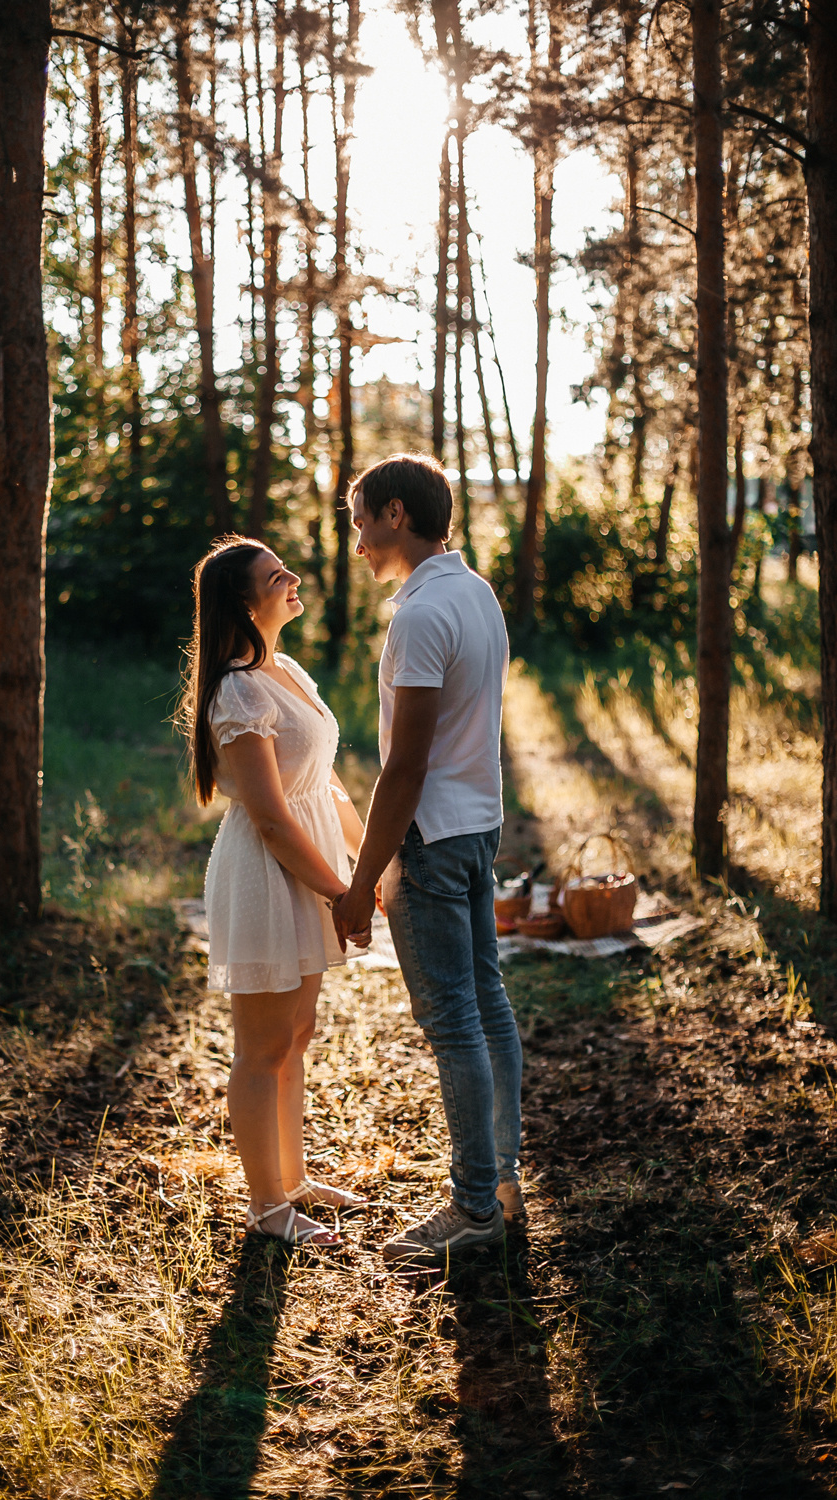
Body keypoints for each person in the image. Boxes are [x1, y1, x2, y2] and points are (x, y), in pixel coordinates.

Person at [330, 455, 524, 1266]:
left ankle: (475, 1208)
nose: (358, 540)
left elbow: (403, 768)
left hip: (433, 843)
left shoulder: (417, 619)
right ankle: (502, 1182)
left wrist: (361, 878)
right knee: (489, 1004)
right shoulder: (475, 593)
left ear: (397, 514)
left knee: (454, 1025)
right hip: (478, 829)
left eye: (361, 520)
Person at [180, 535, 370, 1247]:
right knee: (261, 1046)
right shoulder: (236, 688)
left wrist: (365, 865)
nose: (293, 579)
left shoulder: (285, 669)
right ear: (243, 600)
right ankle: (267, 1209)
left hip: (311, 868)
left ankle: (292, 1179)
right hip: (268, 875)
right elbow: (268, 814)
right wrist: (337, 892)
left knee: (297, 1034)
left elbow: (324, 785)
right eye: (275, 575)